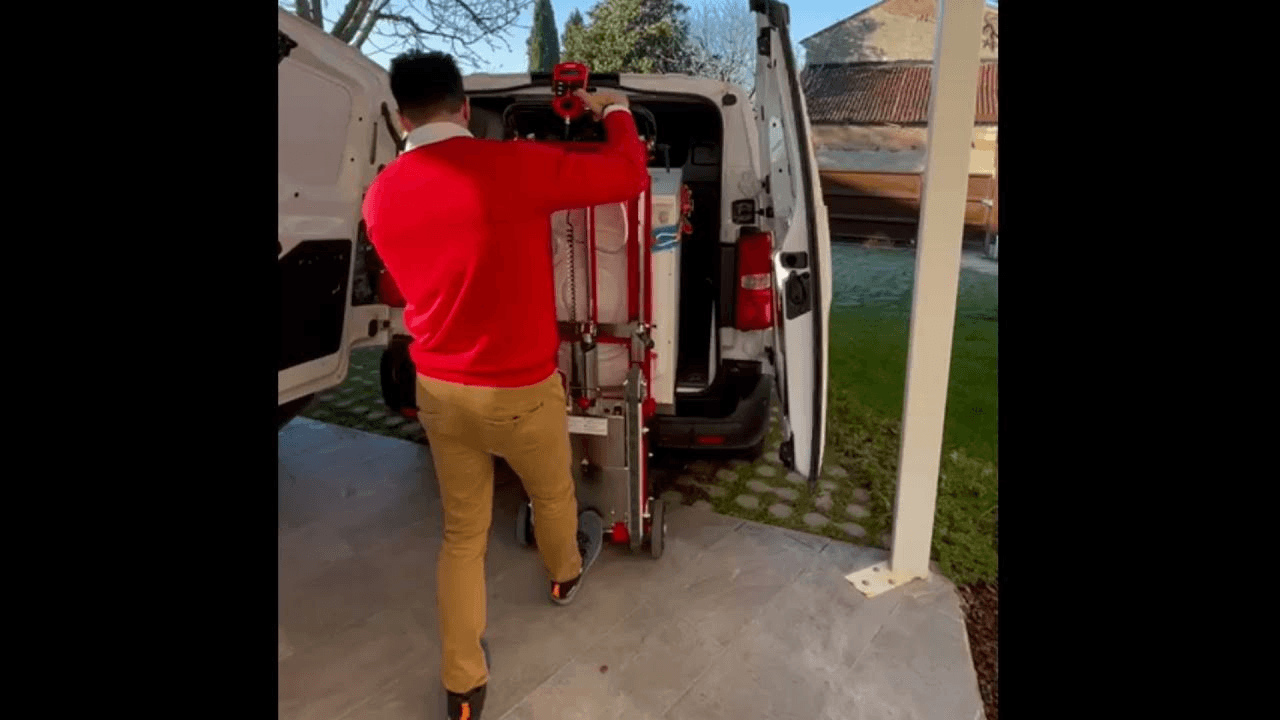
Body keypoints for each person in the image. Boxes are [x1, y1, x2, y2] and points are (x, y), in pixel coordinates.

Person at [361, 50, 651, 720]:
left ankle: (463, 685)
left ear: (402, 116)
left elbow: (401, 288)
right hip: (520, 391)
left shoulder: (379, 194)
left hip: (438, 389)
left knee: (462, 534)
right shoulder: (512, 165)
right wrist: (619, 115)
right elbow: (629, 177)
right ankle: (563, 575)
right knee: (552, 493)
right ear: (464, 107)